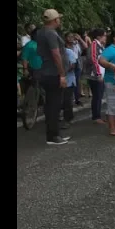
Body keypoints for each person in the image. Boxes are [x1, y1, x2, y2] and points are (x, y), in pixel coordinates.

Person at [36, 9, 71, 145]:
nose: (60, 21)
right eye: (59, 19)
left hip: (46, 71)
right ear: (55, 20)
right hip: (53, 72)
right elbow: (56, 54)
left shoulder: (41, 32)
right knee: (54, 105)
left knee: (51, 104)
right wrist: (62, 74)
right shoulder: (50, 33)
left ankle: (53, 133)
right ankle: (53, 136)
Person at [87, 28, 107, 124]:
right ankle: (96, 116)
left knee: (99, 96)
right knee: (97, 96)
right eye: (104, 35)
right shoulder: (94, 45)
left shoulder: (100, 46)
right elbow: (94, 59)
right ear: (99, 36)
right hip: (95, 76)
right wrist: (98, 74)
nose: (105, 38)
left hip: (100, 74)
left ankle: (97, 114)